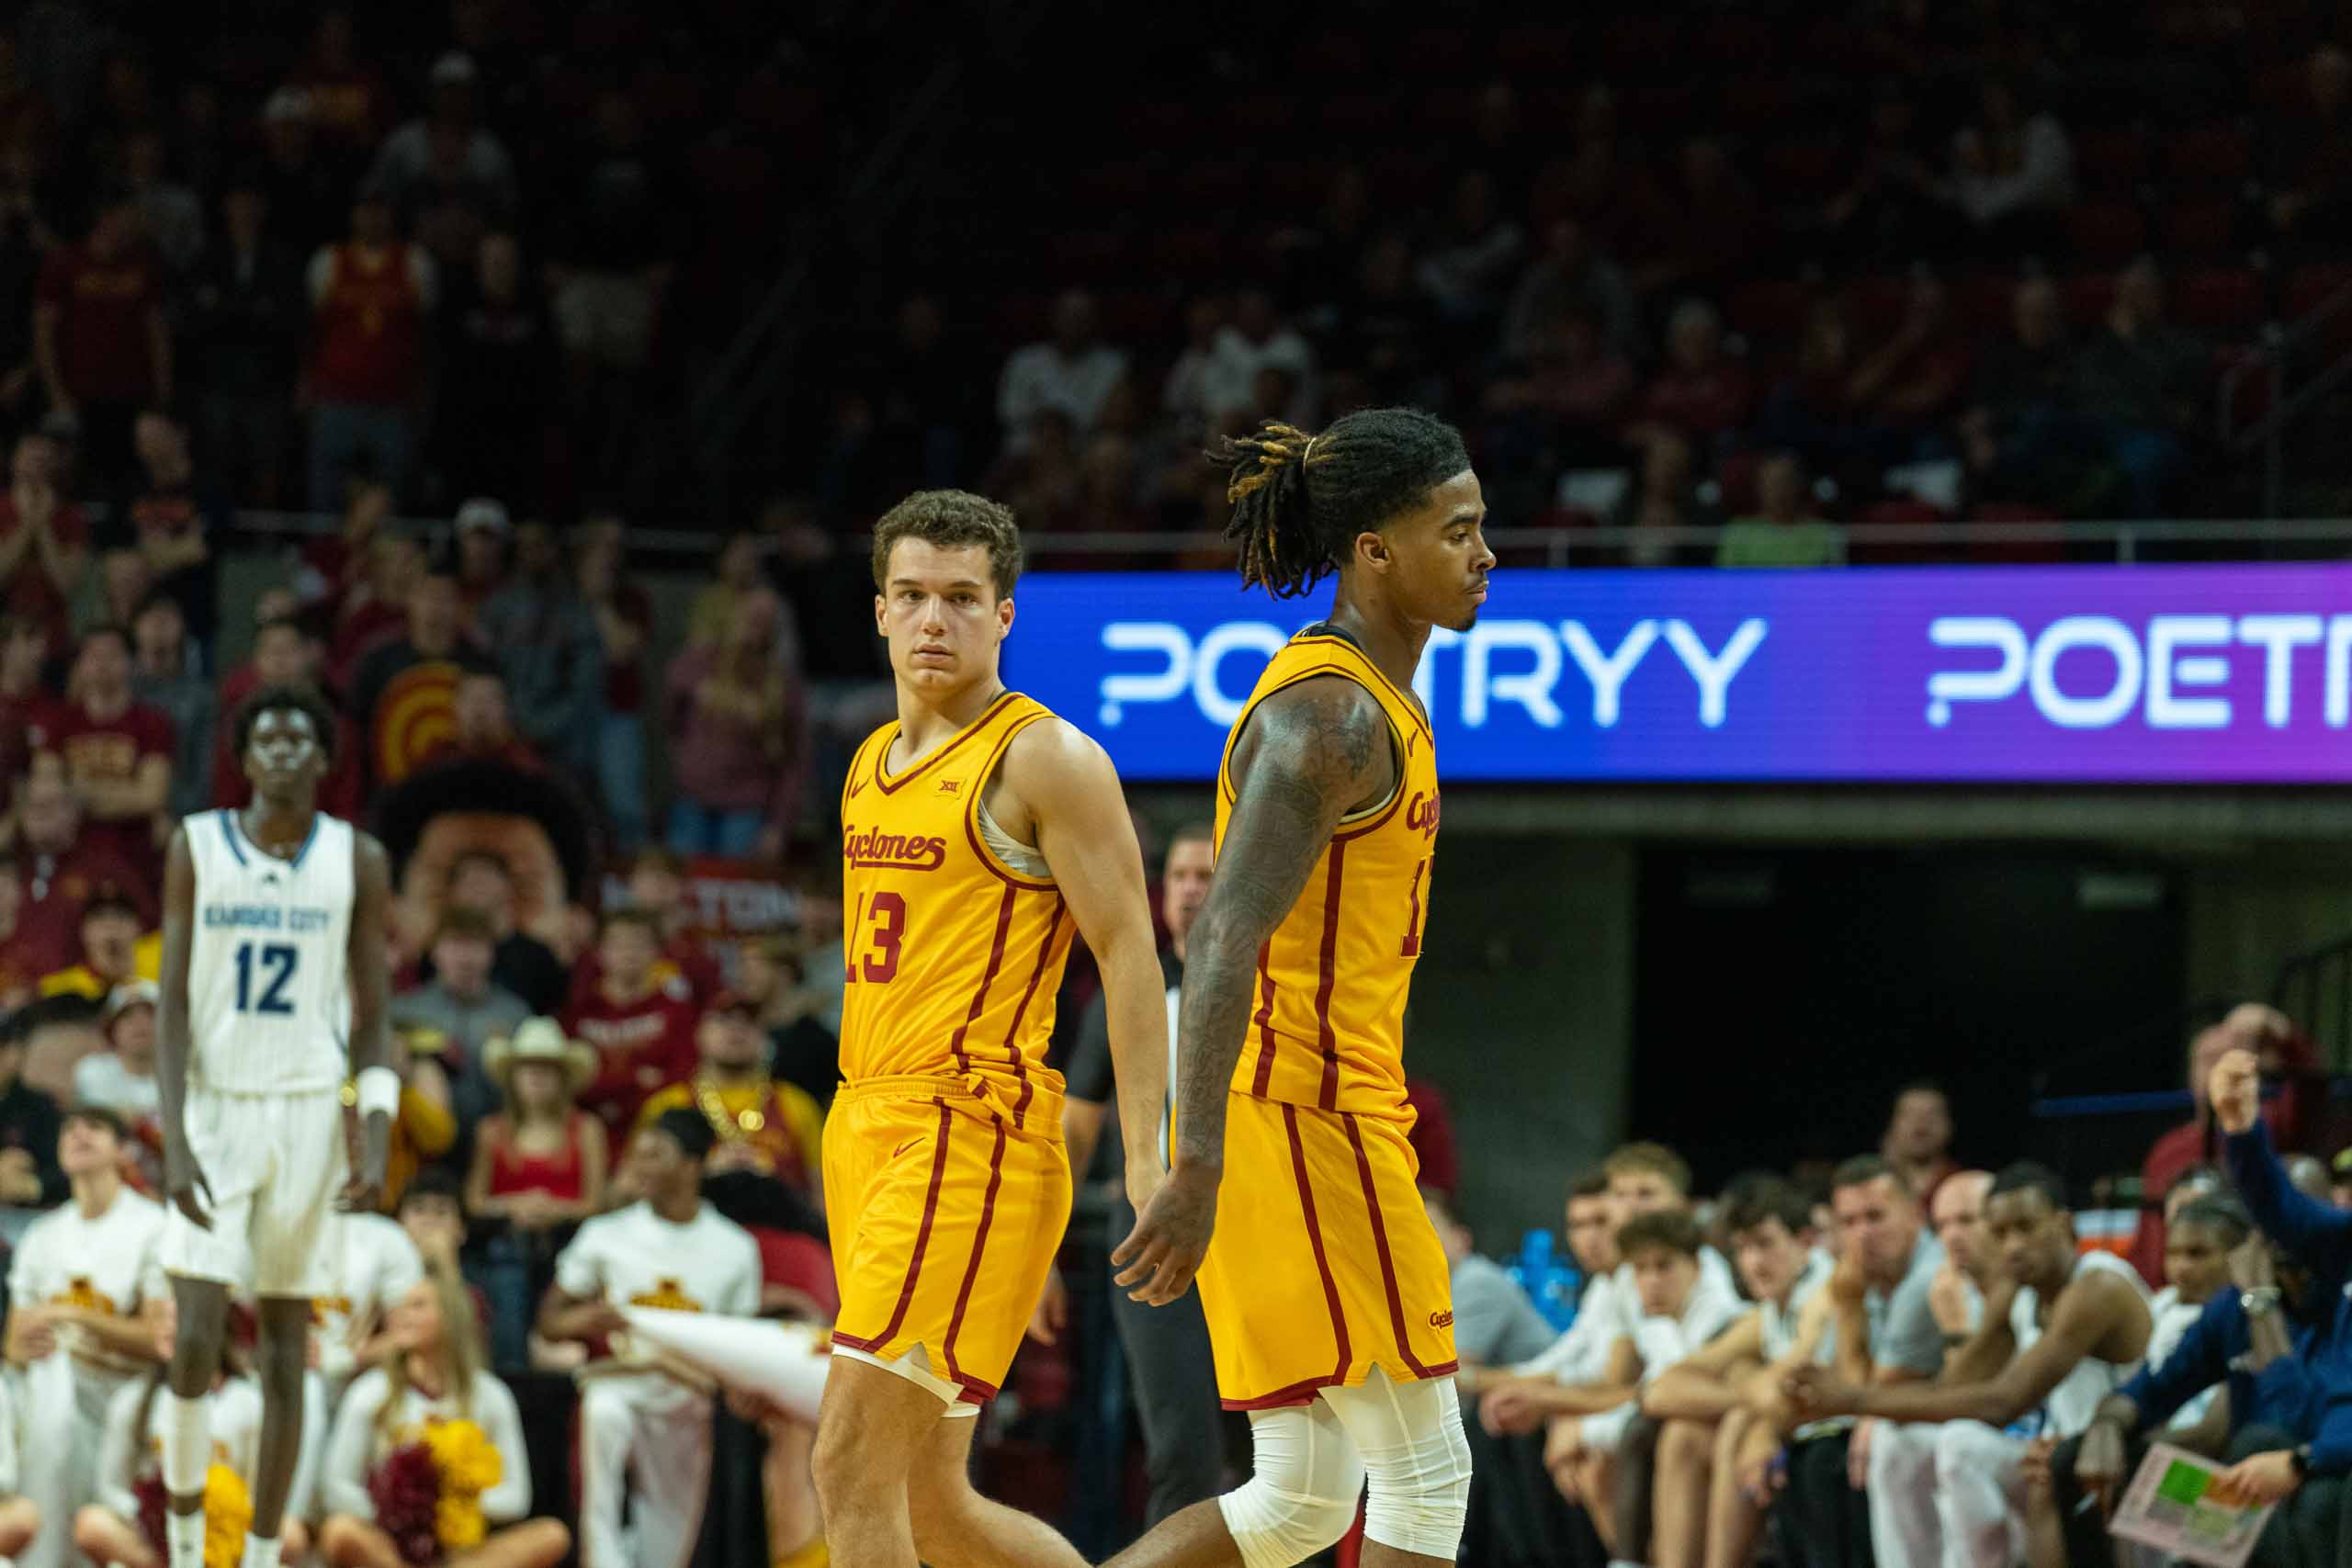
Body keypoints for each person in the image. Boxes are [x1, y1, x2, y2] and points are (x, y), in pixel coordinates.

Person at [1112, 410, 1493, 1568]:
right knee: (1426, 1480)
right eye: (1458, 531)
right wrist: (1198, 1163)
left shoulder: (1373, 698)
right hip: (1309, 1117)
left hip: (1311, 1110)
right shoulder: (1328, 714)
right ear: (1375, 551)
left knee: (1299, 1504)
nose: (1485, 554)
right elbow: (1220, 937)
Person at [808, 487, 1170, 1568]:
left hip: (967, 1132)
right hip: (864, 1122)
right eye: (912, 595)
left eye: (962, 599)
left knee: (845, 1465)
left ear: (1005, 616)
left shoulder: (1044, 759)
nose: (934, 621)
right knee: (929, 1506)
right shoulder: (870, 765)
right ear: (877, 610)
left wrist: (1146, 1156)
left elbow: (1132, 958)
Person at [155, 682, 396, 1568]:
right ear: (246, 759)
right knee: (193, 1336)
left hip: (305, 1106)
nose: (287, 751)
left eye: (303, 739)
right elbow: (171, 1006)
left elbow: (374, 1015)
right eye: (270, 739)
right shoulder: (196, 845)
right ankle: (186, 1547)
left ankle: (258, 1556)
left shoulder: (357, 858)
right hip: (217, 1106)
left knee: (290, 1352)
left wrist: (373, 1124)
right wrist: (174, 1134)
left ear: (326, 759)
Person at [1785, 1161, 2154, 1568]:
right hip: (2060, 1453)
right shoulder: (2021, 1291)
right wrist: (1860, 1403)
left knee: (2005, 1457)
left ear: (2066, 1227)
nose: (2013, 1245)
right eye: (2000, 1233)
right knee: (1924, 1442)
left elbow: (2003, 1401)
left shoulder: (2096, 1287)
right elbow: (1952, 1390)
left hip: (2138, 1451)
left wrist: (1850, 1400)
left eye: (2026, 1228)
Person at [1031, 822, 1220, 1527]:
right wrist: (1041, 1253)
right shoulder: (1129, 990)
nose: (1193, 890)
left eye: (1207, 875)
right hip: (1152, 1235)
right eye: (1179, 877)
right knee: (1181, 1446)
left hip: (1255, 1227)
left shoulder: (1275, 984)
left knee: (1288, 1446)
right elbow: (1074, 1129)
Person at [537, 1108, 762, 1568]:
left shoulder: (735, 1248)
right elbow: (550, 1322)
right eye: (637, 1156)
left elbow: (743, 1346)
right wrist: (591, 1318)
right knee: (603, 1412)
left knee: (668, 1544)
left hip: (688, 1396)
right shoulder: (606, 1234)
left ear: (693, 1165)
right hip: (621, 1380)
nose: (640, 1167)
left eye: (655, 1155)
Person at [6, 1104, 167, 1568]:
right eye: (69, 1130)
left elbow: (156, 1338)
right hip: (56, 1389)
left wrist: (69, 1315)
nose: (78, 1135)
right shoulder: (43, 1234)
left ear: (124, 1150)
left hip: (127, 1394)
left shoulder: (151, 1226)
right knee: (49, 1400)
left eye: (94, 1127)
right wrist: (32, 1339)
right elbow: (14, 1347)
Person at [318, 1265, 566, 1568]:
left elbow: (516, 1497)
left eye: (418, 1305)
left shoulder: (490, 1395)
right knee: (340, 1533)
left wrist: (451, 1505)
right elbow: (335, 1488)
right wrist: (400, 1509)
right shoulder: (370, 1391)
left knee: (552, 1535)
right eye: (398, 1307)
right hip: (391, 1544)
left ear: (452, 1315)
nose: (400, 1315)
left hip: (463, 1546)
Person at [1642, 1180, 1835, 1568]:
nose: (1753, 1263)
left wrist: (1754, 1409)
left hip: (1833, 1428)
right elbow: (1659, 1390)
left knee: (1737, 1423)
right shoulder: (1768, 1309)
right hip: (1790, 1423)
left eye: (1765, 1243)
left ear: (1806, 1241)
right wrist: (1749, 1392)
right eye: (1743, 1249)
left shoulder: (1823, 1292)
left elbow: (1793, 1383)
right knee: (1683, 1435)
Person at [1772, 1156, 1951, 1568]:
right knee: (1796, 1454)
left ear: (1915, 1214)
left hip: (1950, 1422)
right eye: (1848, 1222)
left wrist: (1848, 1306)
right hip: (1903, 1415)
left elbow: (1861, 1395)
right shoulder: (1866, 1276)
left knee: (1835, 1459)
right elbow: (1845, 1386)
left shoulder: (1928, 1276)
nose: (1862, 1234)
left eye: (1875, 1217)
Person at [74, 1300, 302, 1568]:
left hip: (228, 1532)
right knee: (91, 1524)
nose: (169, 1328)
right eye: (163, 1319)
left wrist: (223, 1517)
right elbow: (110, 1488)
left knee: (291, 1534)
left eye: (179, 1319)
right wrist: (152, 1516)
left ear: (217, 1329)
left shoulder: (249, 1401)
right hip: (155, 1537)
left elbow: (259, 1490)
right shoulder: (133, 1399)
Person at [466, 1018, 607, 1368]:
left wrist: (551, 1209)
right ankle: (513, 1378)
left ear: (563, 1078)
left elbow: (596, 1203)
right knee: (507, 1282)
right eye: (527, 1069)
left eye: (547, 1070)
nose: (536, 1078)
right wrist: (516, 1206)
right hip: (507, 1244)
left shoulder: (587, 1129)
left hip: (569, 1242)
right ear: (512, 1078)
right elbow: (473, 1201)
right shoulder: (491, 1130)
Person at [303, 188, 436, 510]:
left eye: (380, 210)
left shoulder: (416, 264)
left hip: (394, 402)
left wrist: (424, 393)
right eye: (366, 210)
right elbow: (311, 333)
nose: (373, 219)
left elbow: (427, 338)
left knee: (391, 496)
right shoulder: (329, 262)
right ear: (354, 215)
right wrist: (306, 385)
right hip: (336, 397)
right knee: (327, 495)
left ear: (391, 217)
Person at [32, 195, 170, 484]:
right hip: (79, 391)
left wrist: (162, 387)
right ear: (105, 217)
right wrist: (56, 392)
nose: (132, 224)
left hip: (131, 392)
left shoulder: (143, 265)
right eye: (127, 216)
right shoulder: (67, 262)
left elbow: (156, 330)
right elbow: (44, 332)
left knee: (125, 477)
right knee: (78, 476)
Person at [34, 623, 175, 879]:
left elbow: (151, 796)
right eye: (94, 655)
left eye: (112, 655)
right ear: (80, 664)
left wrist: (77, 795)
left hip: (135, 856)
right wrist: (126, 793)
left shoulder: (152, 723)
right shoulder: (58, 722)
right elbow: (48, 792)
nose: (103, 664)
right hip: (70, 856)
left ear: (131, 663)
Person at [475, 519, 598, 775]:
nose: (531, 553)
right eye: (524, 546)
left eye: (539, 545)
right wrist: (507, 720)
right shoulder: (497, 607)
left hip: (563, 738)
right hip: (506, 732)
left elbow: (584, 683)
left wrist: (545, 725)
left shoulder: (576, 612)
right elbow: (482, 667)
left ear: (554, 550)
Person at [560, 908, 697, 1134]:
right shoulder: (579, 1013)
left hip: (656, 1130)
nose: (629, 952)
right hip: (586, 1131)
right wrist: (635, 1078)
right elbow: (571, 1083)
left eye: (639, 944)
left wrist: (604, 1082)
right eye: (619, 944)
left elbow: (680, 1080)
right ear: (600, 952)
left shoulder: (676, 1011)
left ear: (657, 952)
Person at [390, 906, 525, 1134]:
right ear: (434, 951)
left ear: (492, 953)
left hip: (497, 1140)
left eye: (475, 945)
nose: (465, 957)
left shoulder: (513, 1014)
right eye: (455, 944)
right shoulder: (404, 1011)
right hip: (421, 1145)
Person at [131, 592, 215, 823]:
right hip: (123, 812)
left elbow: (204, 775)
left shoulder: (202, 698)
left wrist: (175, 817)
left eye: (168, 617)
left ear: (183, 629)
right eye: (150, 617)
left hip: (181, 817)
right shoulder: (119, 690)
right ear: (135, 627)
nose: (158, 624)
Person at [1925, 1168, 1996, 1348]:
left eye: (1966, 1220)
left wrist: (1955, 1327)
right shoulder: (1945, 1287)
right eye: (1942, 1225)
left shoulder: (2029, 1290)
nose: (1951, 1236)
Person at [0, 1010, 65, 1206]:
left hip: (29, 1214)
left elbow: (63, 1168)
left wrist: (34, 1186)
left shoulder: (39, 1105)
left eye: (3, 1047)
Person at [1883, 1082, 1961, 1204]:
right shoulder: (1874, 1185)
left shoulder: (1961, 1184)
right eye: (1910, 1114)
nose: (1920, 1123)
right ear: (1892, 1125)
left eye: (1932, 1114)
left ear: (1949, 1125)